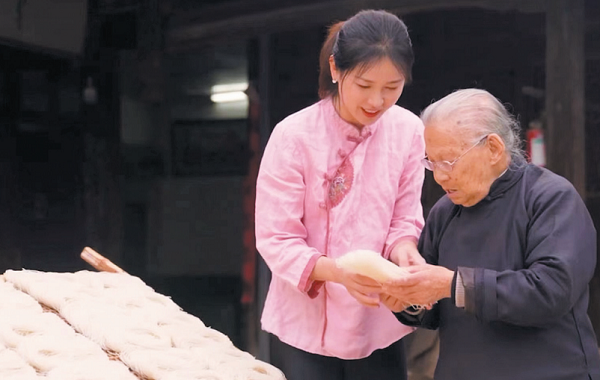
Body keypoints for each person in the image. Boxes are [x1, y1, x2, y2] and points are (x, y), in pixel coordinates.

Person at [380, 88, 600, 380]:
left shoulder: (550, 197)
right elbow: (434, 309)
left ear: (494, 148)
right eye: (431, 162)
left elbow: (552, 291)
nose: (440, 175)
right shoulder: (445, 212)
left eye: (448, 161)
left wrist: (455, 285)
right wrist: (408, 301)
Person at [255, 9, 426, 380]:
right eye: (364, 86)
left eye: (392, 87)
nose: (377, 101)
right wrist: (338, 272)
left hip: (378, 318)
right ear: (335, 69)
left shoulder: (409, 130)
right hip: (305, 325)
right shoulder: (294, 136)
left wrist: (406, 252)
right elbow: (276, 238)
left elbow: (404, 217)